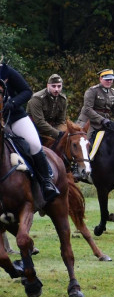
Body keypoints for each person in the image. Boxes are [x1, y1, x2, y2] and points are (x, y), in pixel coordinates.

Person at [0, 62, 60, 207]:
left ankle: (46, 183)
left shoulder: (7, 72)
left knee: (33, 144)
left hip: (14, 117)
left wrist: (12, 103)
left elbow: (27, 91)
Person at [78, 68, 114, 140]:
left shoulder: (113, 93)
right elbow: (87, 109)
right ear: (100, 79)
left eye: (111, 79)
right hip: (89, 122)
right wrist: (102, 120)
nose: (109, 81)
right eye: (107, 79)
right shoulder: (92, 91)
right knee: (84, 142)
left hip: (104, 124)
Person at [27, 73, 68, 146]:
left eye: (59, 86)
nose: (56, 89)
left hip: (51, 132)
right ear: (48, 85)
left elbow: (61, 121)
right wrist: (57, 134)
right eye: (53, 86)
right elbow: (39, 122)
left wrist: (63, 134)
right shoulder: (37, 98)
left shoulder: (62, 99)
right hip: (34, 130)